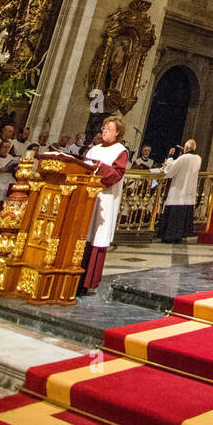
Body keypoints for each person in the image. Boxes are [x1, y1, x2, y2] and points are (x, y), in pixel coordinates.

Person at [79, 115, 128, 293]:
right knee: (83, 236)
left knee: (97, 237)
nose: (104, 131)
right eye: (104, 128)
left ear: (118, 133)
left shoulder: (120, 151)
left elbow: (116, 174)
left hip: (105, 199)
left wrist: (101, 168)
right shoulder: (94, 149)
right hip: (87, 198)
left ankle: (88, 282)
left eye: (109, 129)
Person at [157, 139, 202, 244]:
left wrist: (169, 158)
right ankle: (180, 235)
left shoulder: (183, 158)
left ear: (186, 148)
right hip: (189, 192)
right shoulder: (198, 159)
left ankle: (170, 236)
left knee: (175, 215)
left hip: (178, 191)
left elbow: (170, 170)